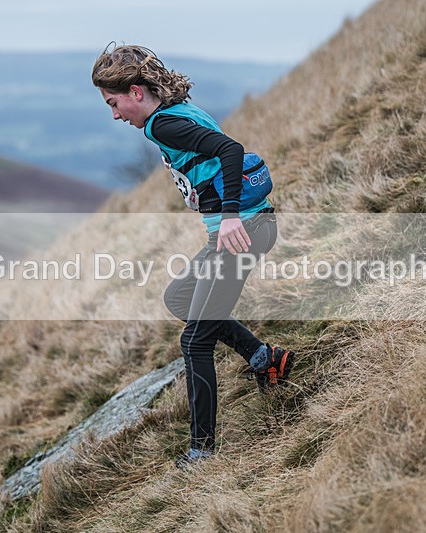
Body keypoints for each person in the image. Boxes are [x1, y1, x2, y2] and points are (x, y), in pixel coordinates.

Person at [91, 43, 294, 468]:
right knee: (179, 299)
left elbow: (230, 150)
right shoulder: (177, 111)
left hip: (242, 233)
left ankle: (202, 452)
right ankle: (264, 359)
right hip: (238, 232)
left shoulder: (165, 125)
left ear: (135, 91)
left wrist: (233, 216)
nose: (114, 115)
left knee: (194, 341)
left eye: (114, 103)